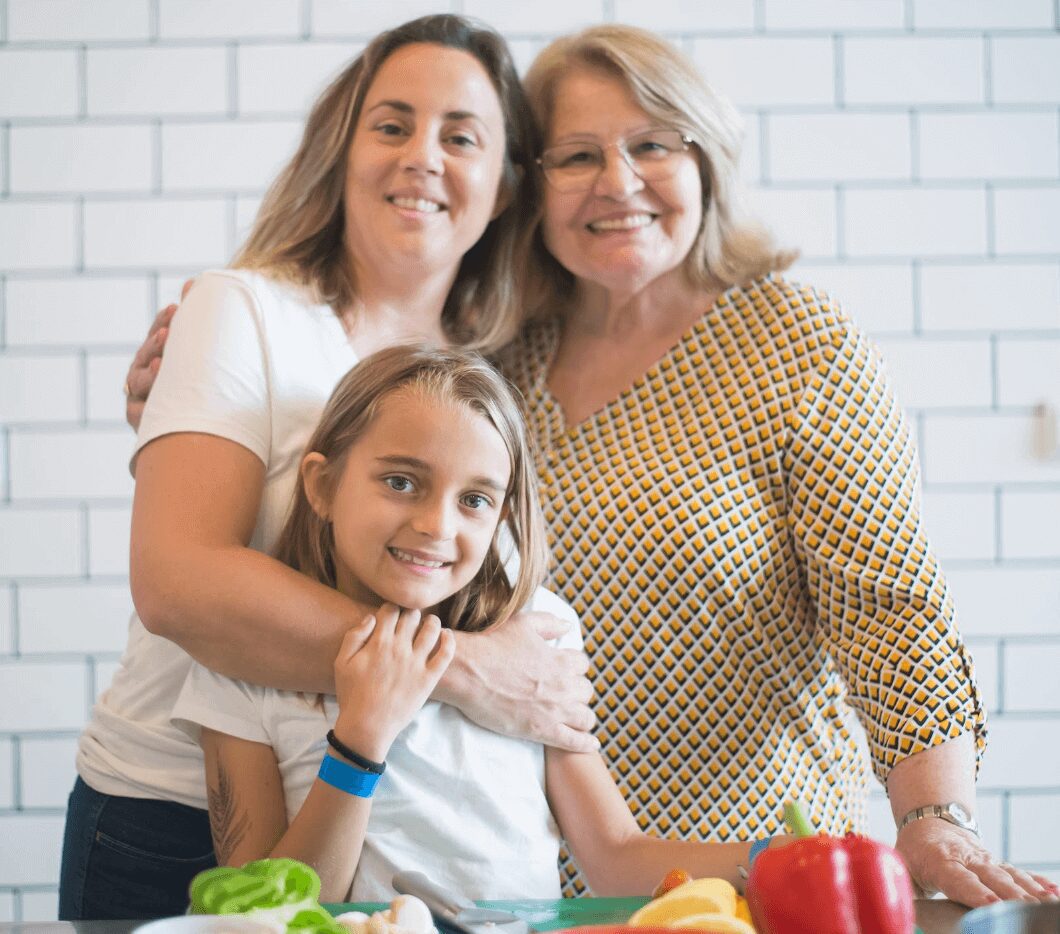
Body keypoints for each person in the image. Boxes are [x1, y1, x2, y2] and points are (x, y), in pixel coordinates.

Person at [122, 22, 1058, 910]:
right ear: (532, 190)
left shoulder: (796, 344)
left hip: (746, 864)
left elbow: (892, 602)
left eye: (655, 143)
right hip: (528, 886)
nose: (617, 180)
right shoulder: (501, 358)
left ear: (706, 162)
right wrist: (187, 402)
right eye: (576, 155)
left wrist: (931, 819)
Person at [60, 15, 597, 922]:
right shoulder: (241, 311)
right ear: (341, 152)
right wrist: (463, 670)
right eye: (391, 125)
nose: (422, 156)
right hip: (173, 811)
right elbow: (177, 585)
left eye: (460, 136)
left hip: (377, 845)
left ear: (505, 190)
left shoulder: (484, 379)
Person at [173, 344, 785, 902]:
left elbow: (616, 858)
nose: (438, 526)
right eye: (401, 481)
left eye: (474, 500)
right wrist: (360, 742)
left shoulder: (536, 639)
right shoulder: (241, 664)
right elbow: (264, 913)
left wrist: (778, 860)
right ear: (322, 485)